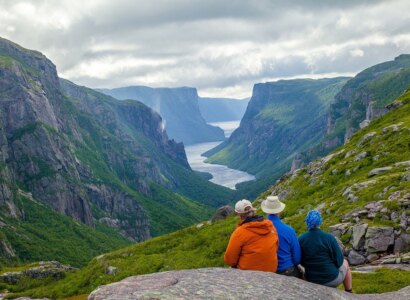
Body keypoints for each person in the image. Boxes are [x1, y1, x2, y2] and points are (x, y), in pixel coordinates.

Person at [299, 210, 353, 293]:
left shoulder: (301, 239)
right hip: (332, 279)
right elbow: (339, 261)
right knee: (345, 262)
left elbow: (300, 261)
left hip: (311, 279)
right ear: (320, 222)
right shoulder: (329, 238)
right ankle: (349, 292)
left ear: (307, 222)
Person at [224, 199, 279, 272]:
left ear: (239, 215)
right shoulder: (269, 225)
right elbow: (276, 246)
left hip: (249, 274)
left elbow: (230, 260)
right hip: (271, 271)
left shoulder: (240, 232)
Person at [262, 195, 302, 277]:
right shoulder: (289, 230)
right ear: (279, 211)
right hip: (287, 269)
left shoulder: (259, 229)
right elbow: (297, 258)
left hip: (266, 270)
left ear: (266, 211)